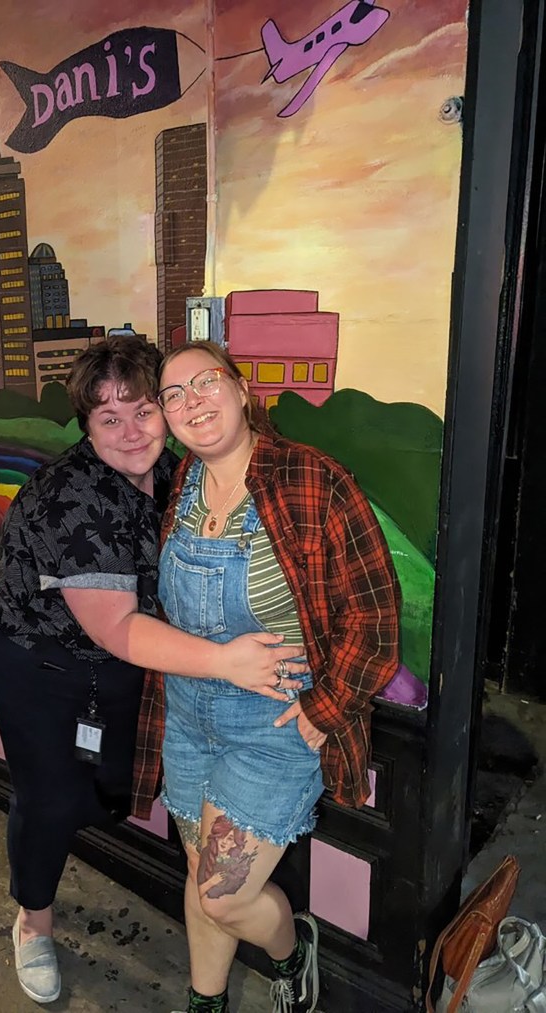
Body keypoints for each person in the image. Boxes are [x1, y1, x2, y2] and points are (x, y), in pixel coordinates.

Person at [0, 334, 297, 1006]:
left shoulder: (179, 472)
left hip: (119, 664)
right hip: (33, 656)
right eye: (107, 418)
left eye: (144, 409)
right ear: (87, 427)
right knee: (51, 797)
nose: (130, 431)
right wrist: (227, 661)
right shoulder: (75, 497)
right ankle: (33, 921)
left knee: (114, 783)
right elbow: (118, 625)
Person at [131, 341, 402, 1013]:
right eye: (174, 394)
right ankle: (206, 1000)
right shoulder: (180, 486)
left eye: (206, 381)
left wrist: (326, 706)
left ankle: (292, 949)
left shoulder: (312, 480)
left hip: (273, 722)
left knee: (222, 892)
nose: (193, 400)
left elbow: (376, 616)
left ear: (241, 387)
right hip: (188, 713)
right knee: (202, 876)